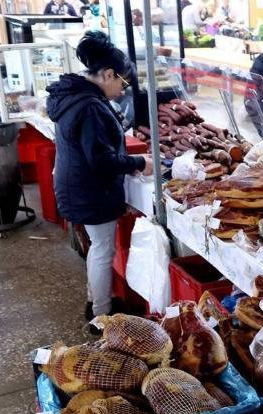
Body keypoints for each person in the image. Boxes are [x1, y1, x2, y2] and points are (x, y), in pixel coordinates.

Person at [46, 32, 152, 326]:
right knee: (103, 249)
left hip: (77, 186)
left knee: (97, 247)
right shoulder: (91, 106)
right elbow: (101, 160)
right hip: (90, 191)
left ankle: (96, 301)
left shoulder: (75, 95)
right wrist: (139, 162)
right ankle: (102, 316)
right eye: (122, 82)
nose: (122, 89)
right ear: (107, 75)